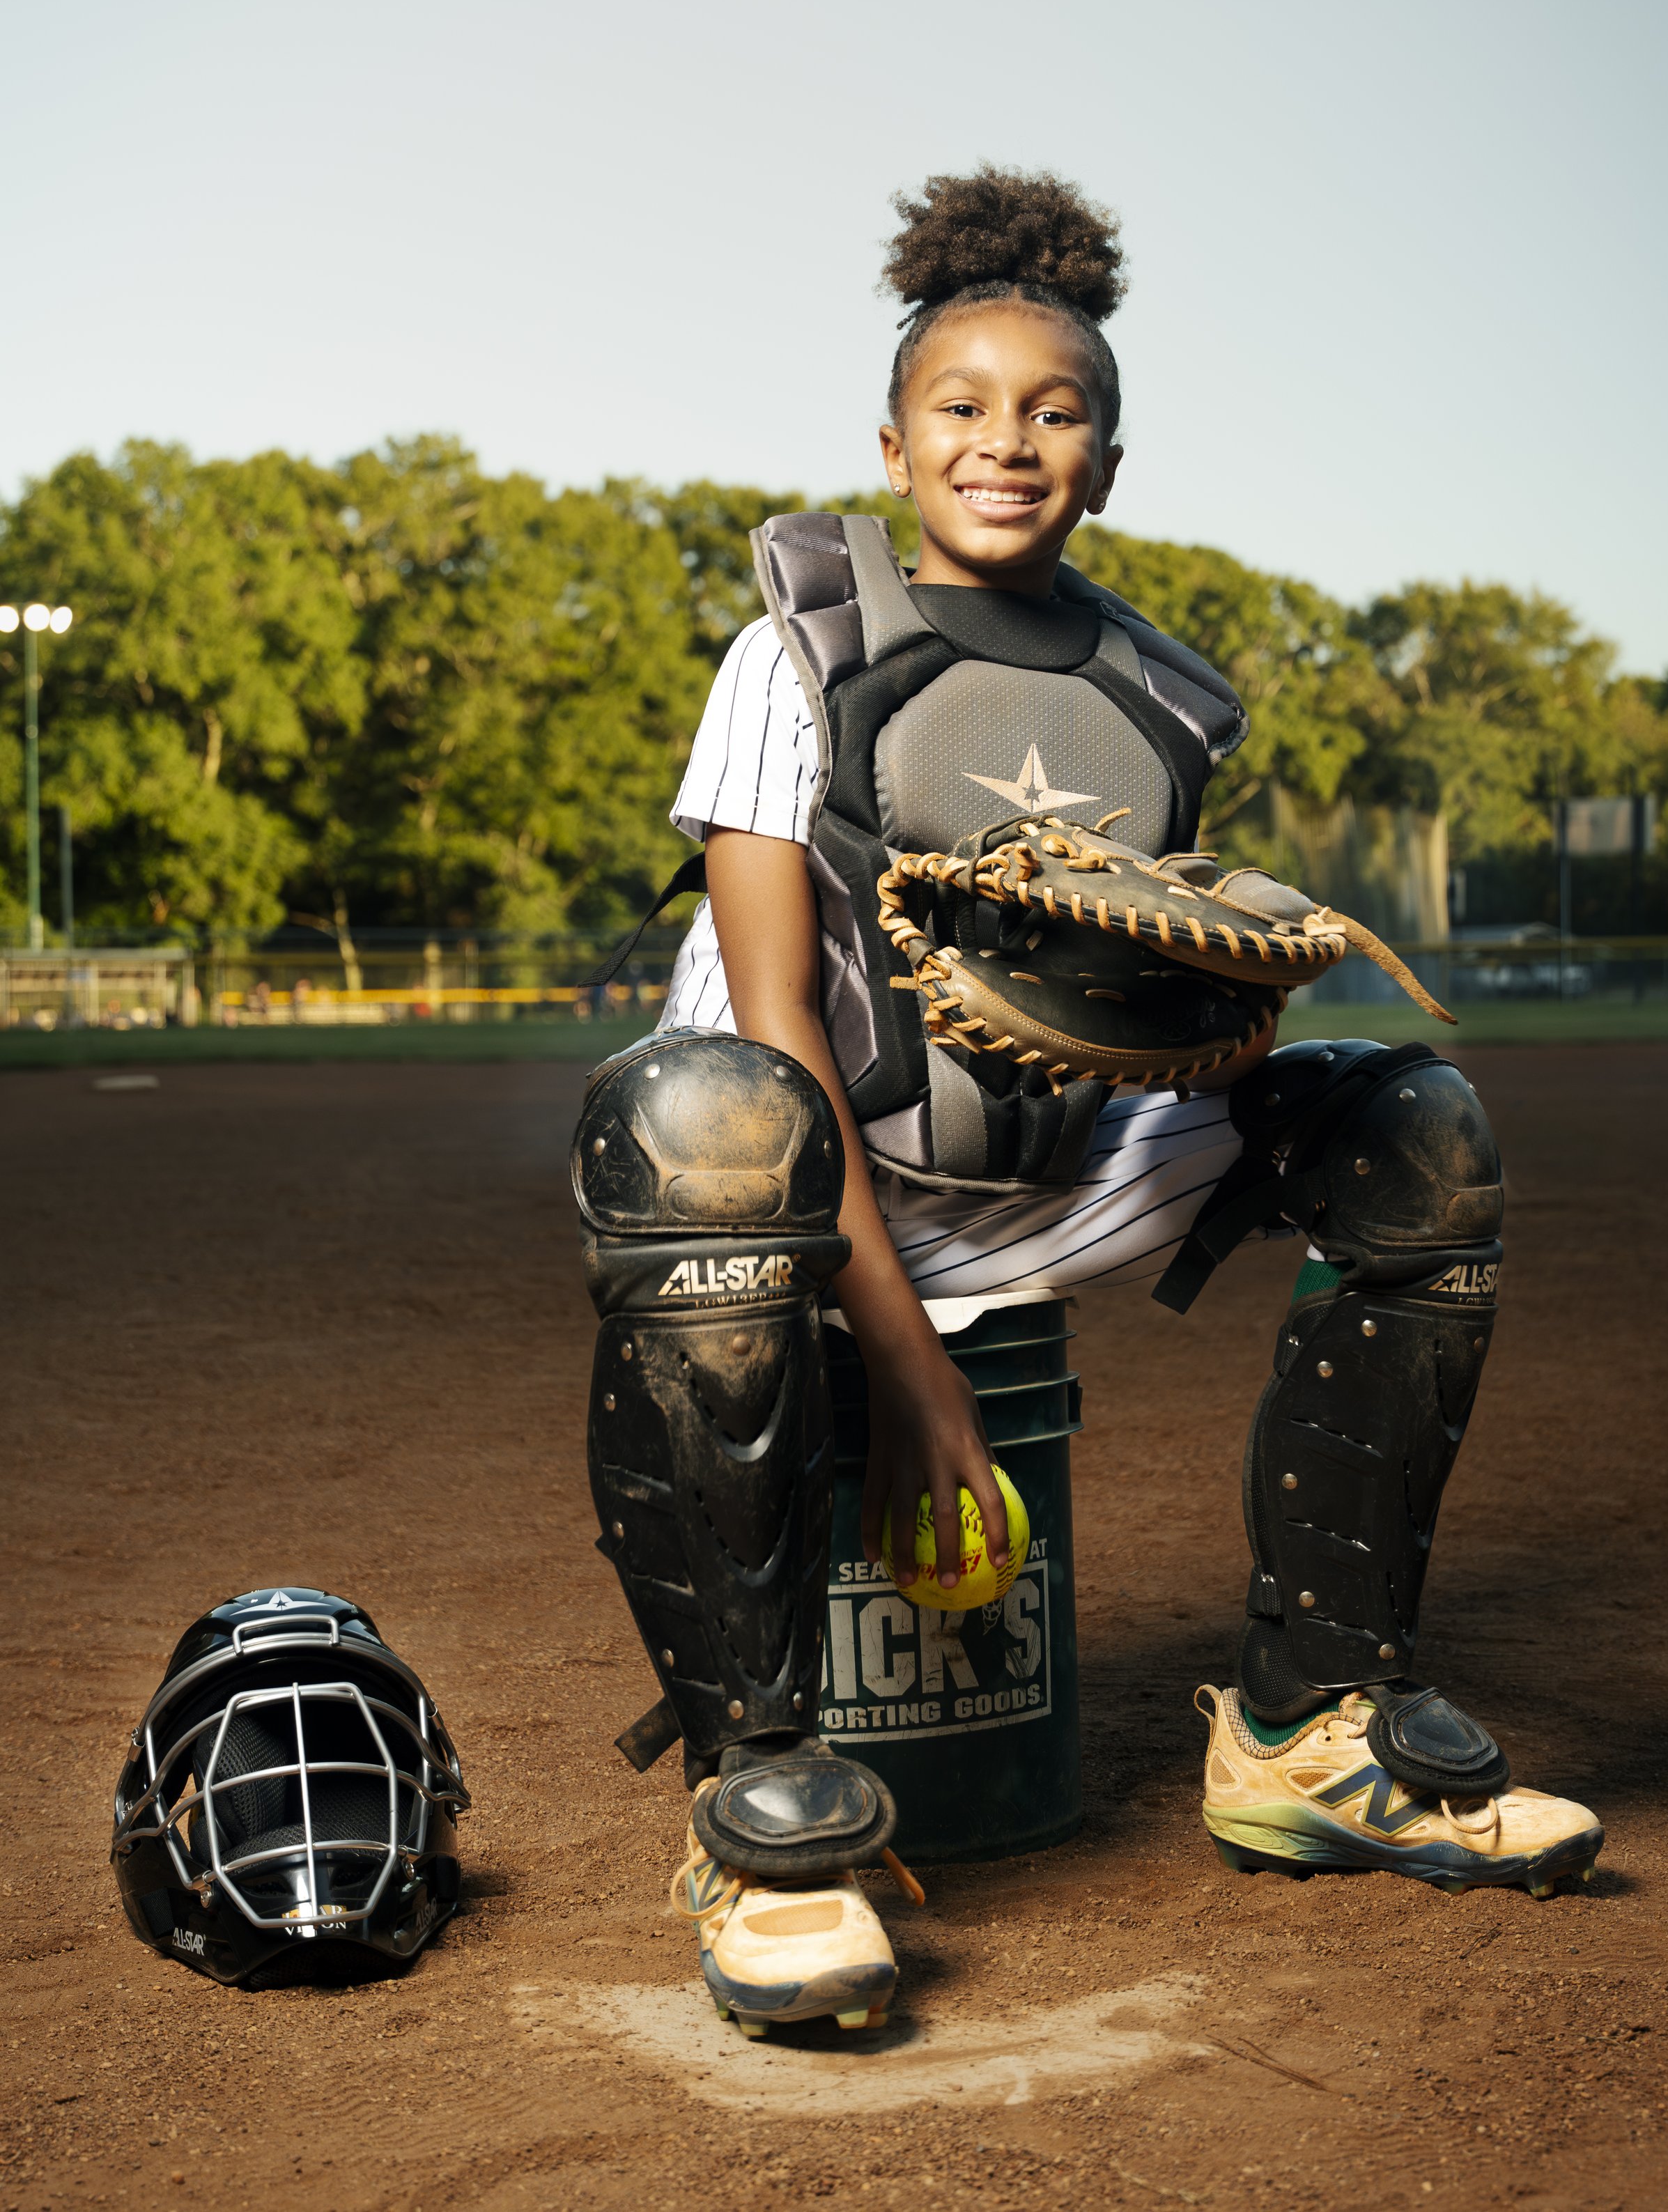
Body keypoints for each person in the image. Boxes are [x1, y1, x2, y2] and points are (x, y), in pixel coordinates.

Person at [579, 168, 1600, 2040]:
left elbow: (1131, 1033)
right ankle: (763, 1814)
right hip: (795, 1189)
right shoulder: (794, 648)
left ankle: (1308, 1723)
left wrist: (1220, 1019)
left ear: (1108, 465)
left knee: (1415, 1124)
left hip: (1038, 1160)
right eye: (962, 405)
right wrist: (912, 1373)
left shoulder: (1155, 695)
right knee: (701, 1113)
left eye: (1055, 412)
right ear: (887, 443)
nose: (1007, 439)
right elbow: (783, 1007)